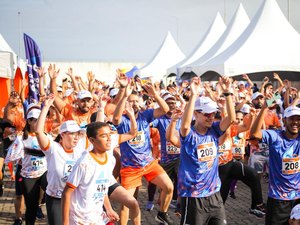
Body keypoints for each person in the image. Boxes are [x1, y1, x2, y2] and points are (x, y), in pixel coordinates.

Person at [113, 78, 174, 225]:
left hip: (149, 164)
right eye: (130, 101)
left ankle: (162, 214)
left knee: (169, 187)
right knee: (127, 203)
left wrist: (155, 94)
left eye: (136, 101)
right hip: (130, 168)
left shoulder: (146, 115)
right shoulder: (122, 120)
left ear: (140, 103)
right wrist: (124, 95)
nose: (133, 104)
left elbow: (166, 110)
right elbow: (115, 118)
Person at [179, 76, 235, 225]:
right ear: (196, 114)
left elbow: (231, 119)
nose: (211, 117)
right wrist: (194, 95)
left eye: (213, 114)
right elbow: (184, 126)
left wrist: (228, 92)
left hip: (214, 196)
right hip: (193, 197)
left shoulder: (214, 130)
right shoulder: (189, 135)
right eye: (207, 114)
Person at [61, 122, 121, 225]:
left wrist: (109, 209)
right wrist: (65, 222)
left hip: (98, 217)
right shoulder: (84, 163)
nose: (109, 139)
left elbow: (102, 188)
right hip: (80, 220)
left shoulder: (111, 160)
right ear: (92, 140)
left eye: (109, 135)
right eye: (103, 136)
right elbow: (67, 192)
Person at [250, 104, 300, 225]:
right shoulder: (276, 136)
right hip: (278, 199)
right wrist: (264, 109)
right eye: (291, 119)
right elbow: (255, 133)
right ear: (284, 120)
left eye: (298, 119)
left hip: (298, 199)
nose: (295, 122)